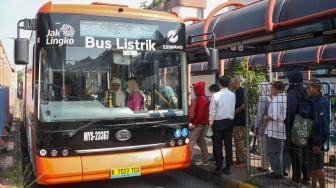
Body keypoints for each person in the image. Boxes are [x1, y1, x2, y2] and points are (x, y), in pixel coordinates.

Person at [284, 70, 309, 186]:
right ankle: (306, 177)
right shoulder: (305, 90)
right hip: (306, 125)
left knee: (295, 153)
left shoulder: (293, 92)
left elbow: (290, 111)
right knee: (304, 153)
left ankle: (296, 179)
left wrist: (287, 123)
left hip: (294, 126)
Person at [209, 76, 236, 175]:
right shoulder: (233, 95)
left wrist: (210, 124)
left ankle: (219, 166)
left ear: (219, 84)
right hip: (229, 122)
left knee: (218, 145)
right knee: (228, 145)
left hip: (218, 122)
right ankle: (228, 167)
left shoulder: (215, 95)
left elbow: (212, 111)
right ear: (228, 84)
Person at [306, 79, 330, 188]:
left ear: (316, 89)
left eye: (309, 88)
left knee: (318, 167)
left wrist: (318, 143)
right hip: (312, 139)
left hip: (317, 140)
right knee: (313, 166)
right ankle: (313, 186)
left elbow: (322, 125)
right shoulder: (313, 100)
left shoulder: (320, 102)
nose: (307, 90)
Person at [264, 81, 287, 179]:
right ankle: (282, 170)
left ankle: (277, 172)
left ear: (277, 89)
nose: (271, 90)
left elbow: (274, 116)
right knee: (281, 152)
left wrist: (266, 117)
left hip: (274, 129)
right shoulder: (286, 98)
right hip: (283, 129)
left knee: (273, 152)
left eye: (272, 88)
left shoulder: (276, 100)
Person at [189, 81, 209, 166]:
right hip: (202, 123)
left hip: (199, 124)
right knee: (201, 142)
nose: (194, 91)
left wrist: (194, 124)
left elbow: (199, 114)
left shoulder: (201, 99)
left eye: (195, 89)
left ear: (199, 89)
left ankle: (186, 159)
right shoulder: (202, 98)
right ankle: (205, 160)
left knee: (190, 140)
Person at [253, 82, 271, 172]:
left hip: (262, 127)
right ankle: (267, 165)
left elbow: (259, 114)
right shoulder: (268, 98)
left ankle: (264, 166)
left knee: (263, 147)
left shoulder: (262, 98)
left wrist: (255, 126)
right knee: (267, 148)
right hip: (268, 127)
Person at [230, 75, 247, 168]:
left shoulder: (240, 91)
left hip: (240, 120)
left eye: (231, 81)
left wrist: (234, 112)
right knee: (237, 141)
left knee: (239, 140)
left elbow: (243, 105)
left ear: (236, 82)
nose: (230, 83)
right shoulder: (238, 91)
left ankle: (243, 161)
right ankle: (239, 160)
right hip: (239, 120)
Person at [207, 83, 220, 162]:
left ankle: (217, 157)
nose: (210, 93)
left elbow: (212, 111)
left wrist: (210, 123)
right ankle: (215, 156)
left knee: (216, 141)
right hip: (215, 121)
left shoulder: (214, 98)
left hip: (214, 122)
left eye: (211, 91)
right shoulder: (213, 98)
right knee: (215, 140)